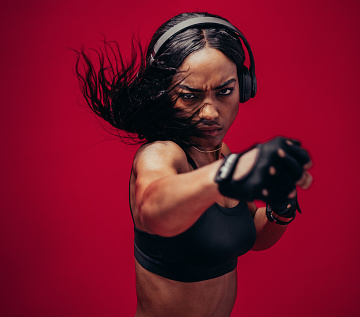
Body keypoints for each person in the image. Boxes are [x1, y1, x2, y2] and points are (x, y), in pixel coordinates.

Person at [76, 11, 313, 317]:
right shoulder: (160, 155)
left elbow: (249, 235)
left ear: (245, 86)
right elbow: (154, 209)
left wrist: (281, 209)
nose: (210, 113)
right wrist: (228, 174)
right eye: (190, 96)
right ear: (165, 96)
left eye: (225, 91)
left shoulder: (221, 153)